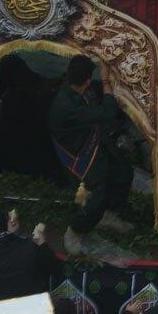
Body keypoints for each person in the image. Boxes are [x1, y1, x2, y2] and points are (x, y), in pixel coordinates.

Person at [49, 54, 133, 238]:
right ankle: (76, 230)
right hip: (80, 152)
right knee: (97, 194)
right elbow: (107, 112)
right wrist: (105, 80)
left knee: (124, 171)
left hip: (96, 141)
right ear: (87, 80)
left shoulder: (78, 88)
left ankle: (109, 214)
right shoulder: (67, 106)